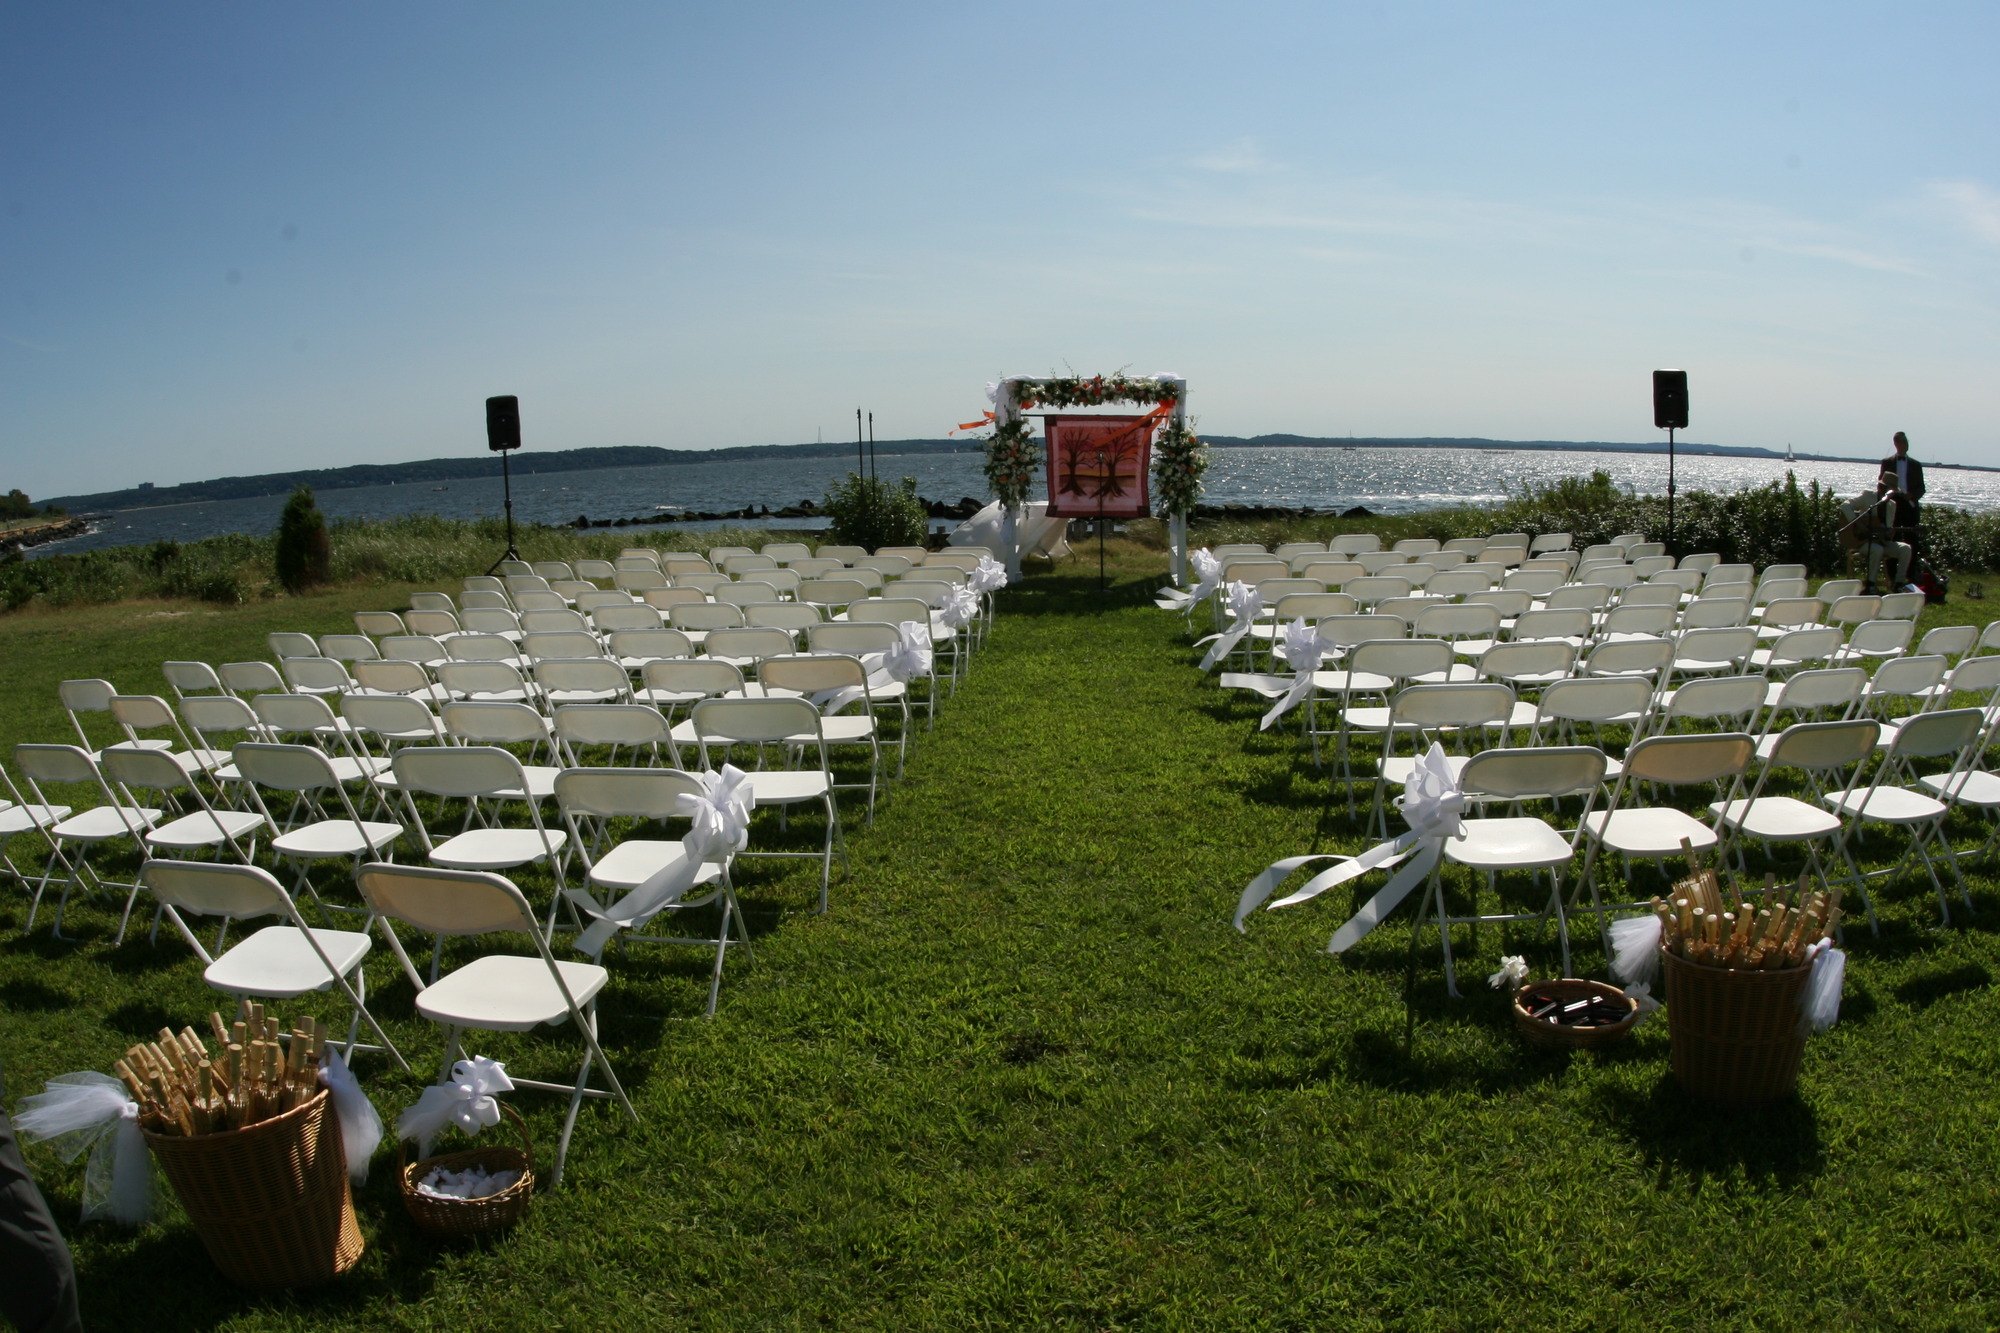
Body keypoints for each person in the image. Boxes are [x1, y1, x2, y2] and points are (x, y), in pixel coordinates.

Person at [1841, 472, 1913, 593]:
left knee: (1906, 549)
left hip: (1881, 542)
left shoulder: (1892, 505)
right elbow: (1845, 506)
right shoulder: (1868, 496)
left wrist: (1889, 533)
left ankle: (1898, 583)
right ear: (1881, 487)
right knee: (1877, 549)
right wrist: (1858, 523)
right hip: (1862, 541)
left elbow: (1887, 529)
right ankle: (1870, 584)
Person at [1880, 430, 1925, 530]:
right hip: (1892, 503)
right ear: (1896, 443)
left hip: (1909, 504)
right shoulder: (1887, 463)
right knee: (1892, 533)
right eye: (1903, 441)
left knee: (1911, 534)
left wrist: (1912, 495)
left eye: (1907, 441)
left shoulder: (1916, 465)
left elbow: (1921, 488)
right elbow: (1881, 485)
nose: (1906, 444)